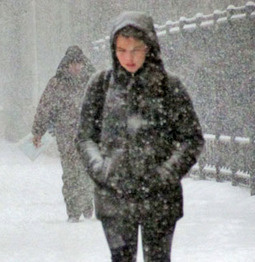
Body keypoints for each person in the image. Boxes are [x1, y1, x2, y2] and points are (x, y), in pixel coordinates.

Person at [75, 12, 204, 261]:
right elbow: (84, 137)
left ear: (149, 47)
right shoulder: (101, 85)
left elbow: (192, 139)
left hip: (160, 199)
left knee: (158, 258)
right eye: (122, 50)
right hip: (114, 197)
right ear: (113, 50)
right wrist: (101, 168)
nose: (129, 57)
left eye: (135, 49)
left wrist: (166, 173)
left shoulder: (170, 87)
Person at [32, 45, 95, 223]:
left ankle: (87, 203)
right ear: (66, 65)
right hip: (66, 137)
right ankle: (73, 210)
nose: (75, 67)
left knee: (88, 172)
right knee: (70, 174)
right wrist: (38, 131)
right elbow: (45, 108)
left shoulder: (92, 81)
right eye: (72, 64)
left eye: (78, 63)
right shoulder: (57, 84)